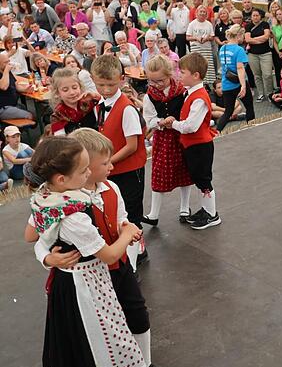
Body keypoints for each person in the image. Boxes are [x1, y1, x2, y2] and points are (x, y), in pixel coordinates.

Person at [22, 136, 147, 367]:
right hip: (85, 284)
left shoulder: (50, 197)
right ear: (62, 179)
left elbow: (36, 237)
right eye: (82, 171)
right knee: (95, 337)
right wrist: (128, 232)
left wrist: (47, 257)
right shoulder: (73, 216)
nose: (88, 174)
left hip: (75, 280)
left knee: (93, 334)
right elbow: (109, 255)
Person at [159, 53, 221, 230]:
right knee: (199, 178)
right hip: (192, 145)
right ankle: (207, 209)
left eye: (183, 72)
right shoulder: (191, 93)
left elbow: (191, 126)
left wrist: (174, 124)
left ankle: (212, 214)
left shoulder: (199, 97)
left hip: (199, 145)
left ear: (195, 75)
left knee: (203, 180)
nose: (179, 75)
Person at [91, 54, 148, 233]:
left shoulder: (127, 109)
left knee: (132, 211)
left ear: (122, 80)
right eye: (101, 85)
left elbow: (131, 146)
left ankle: (138, 250)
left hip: (129, 170)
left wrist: (108, 162)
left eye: (111, 84)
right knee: (117, 210)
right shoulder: (100, 103)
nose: (106, 90)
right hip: (112, 168)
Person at [141, 55, 194, 227]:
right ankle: (154, 213)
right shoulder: (149, 96)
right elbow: (148, 119)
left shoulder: (182, 90)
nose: (156, 85)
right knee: (159, 172)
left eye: (160, 81)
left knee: (185, 170)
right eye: (152, 81)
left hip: (181, 135)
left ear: (170, 74)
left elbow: (189, 112)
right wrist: (160, 122)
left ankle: (185, 208)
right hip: (163, 138)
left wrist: (176, 120)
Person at [217, 24, 255, 131]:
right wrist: (243, 86)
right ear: (238, 35)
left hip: (226, 84)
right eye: (242, 36)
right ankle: (251, 128)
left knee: (228, 111)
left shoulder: (222, 48)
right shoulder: (239, 50)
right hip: (238, 83)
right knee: (249, 107)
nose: (243, 39)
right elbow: (240, 68)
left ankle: (217, 131)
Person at [48, 67, 99, 135]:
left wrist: (96, 96)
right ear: (57, 93)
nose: (72, 92)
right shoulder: (58, 115)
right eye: (65, 90)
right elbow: (60, 139)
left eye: (75, 87)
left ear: (80, 87)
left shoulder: (89, 103)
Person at [245, 9, 274, 102]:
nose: (255, 17)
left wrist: (253, 39)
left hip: (265, 53)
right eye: (253, 15)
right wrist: (259, 40)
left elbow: (266, 37)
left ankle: (269, 93)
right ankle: (261, 93)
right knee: (257, 75)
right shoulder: (248, 26)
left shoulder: (265, 24)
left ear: (260, 16)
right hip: (253, 54)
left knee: (267, 74)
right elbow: (247, 39)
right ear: (251, 17)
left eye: (257, 15)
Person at [186, 5, 216, 87]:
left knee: (207, 67)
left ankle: (208, 86)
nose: (202, 13)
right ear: (197, 13)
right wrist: (196, 38)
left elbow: (212, 36)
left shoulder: (209, 24)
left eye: (204, 12)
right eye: (201, 11)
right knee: (197, 67)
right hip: (196, 48)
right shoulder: (192, 24)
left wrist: (207, 38)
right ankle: (197, 84)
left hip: (206, 49)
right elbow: (188, 37)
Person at [271, 6, 282, 90]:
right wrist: (278, 52)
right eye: (277, 14)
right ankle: (280, 88)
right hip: (278, 50)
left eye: (280, 14)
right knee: (278, 69)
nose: (279, 16)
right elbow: (274, 41)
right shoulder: (275, 27)